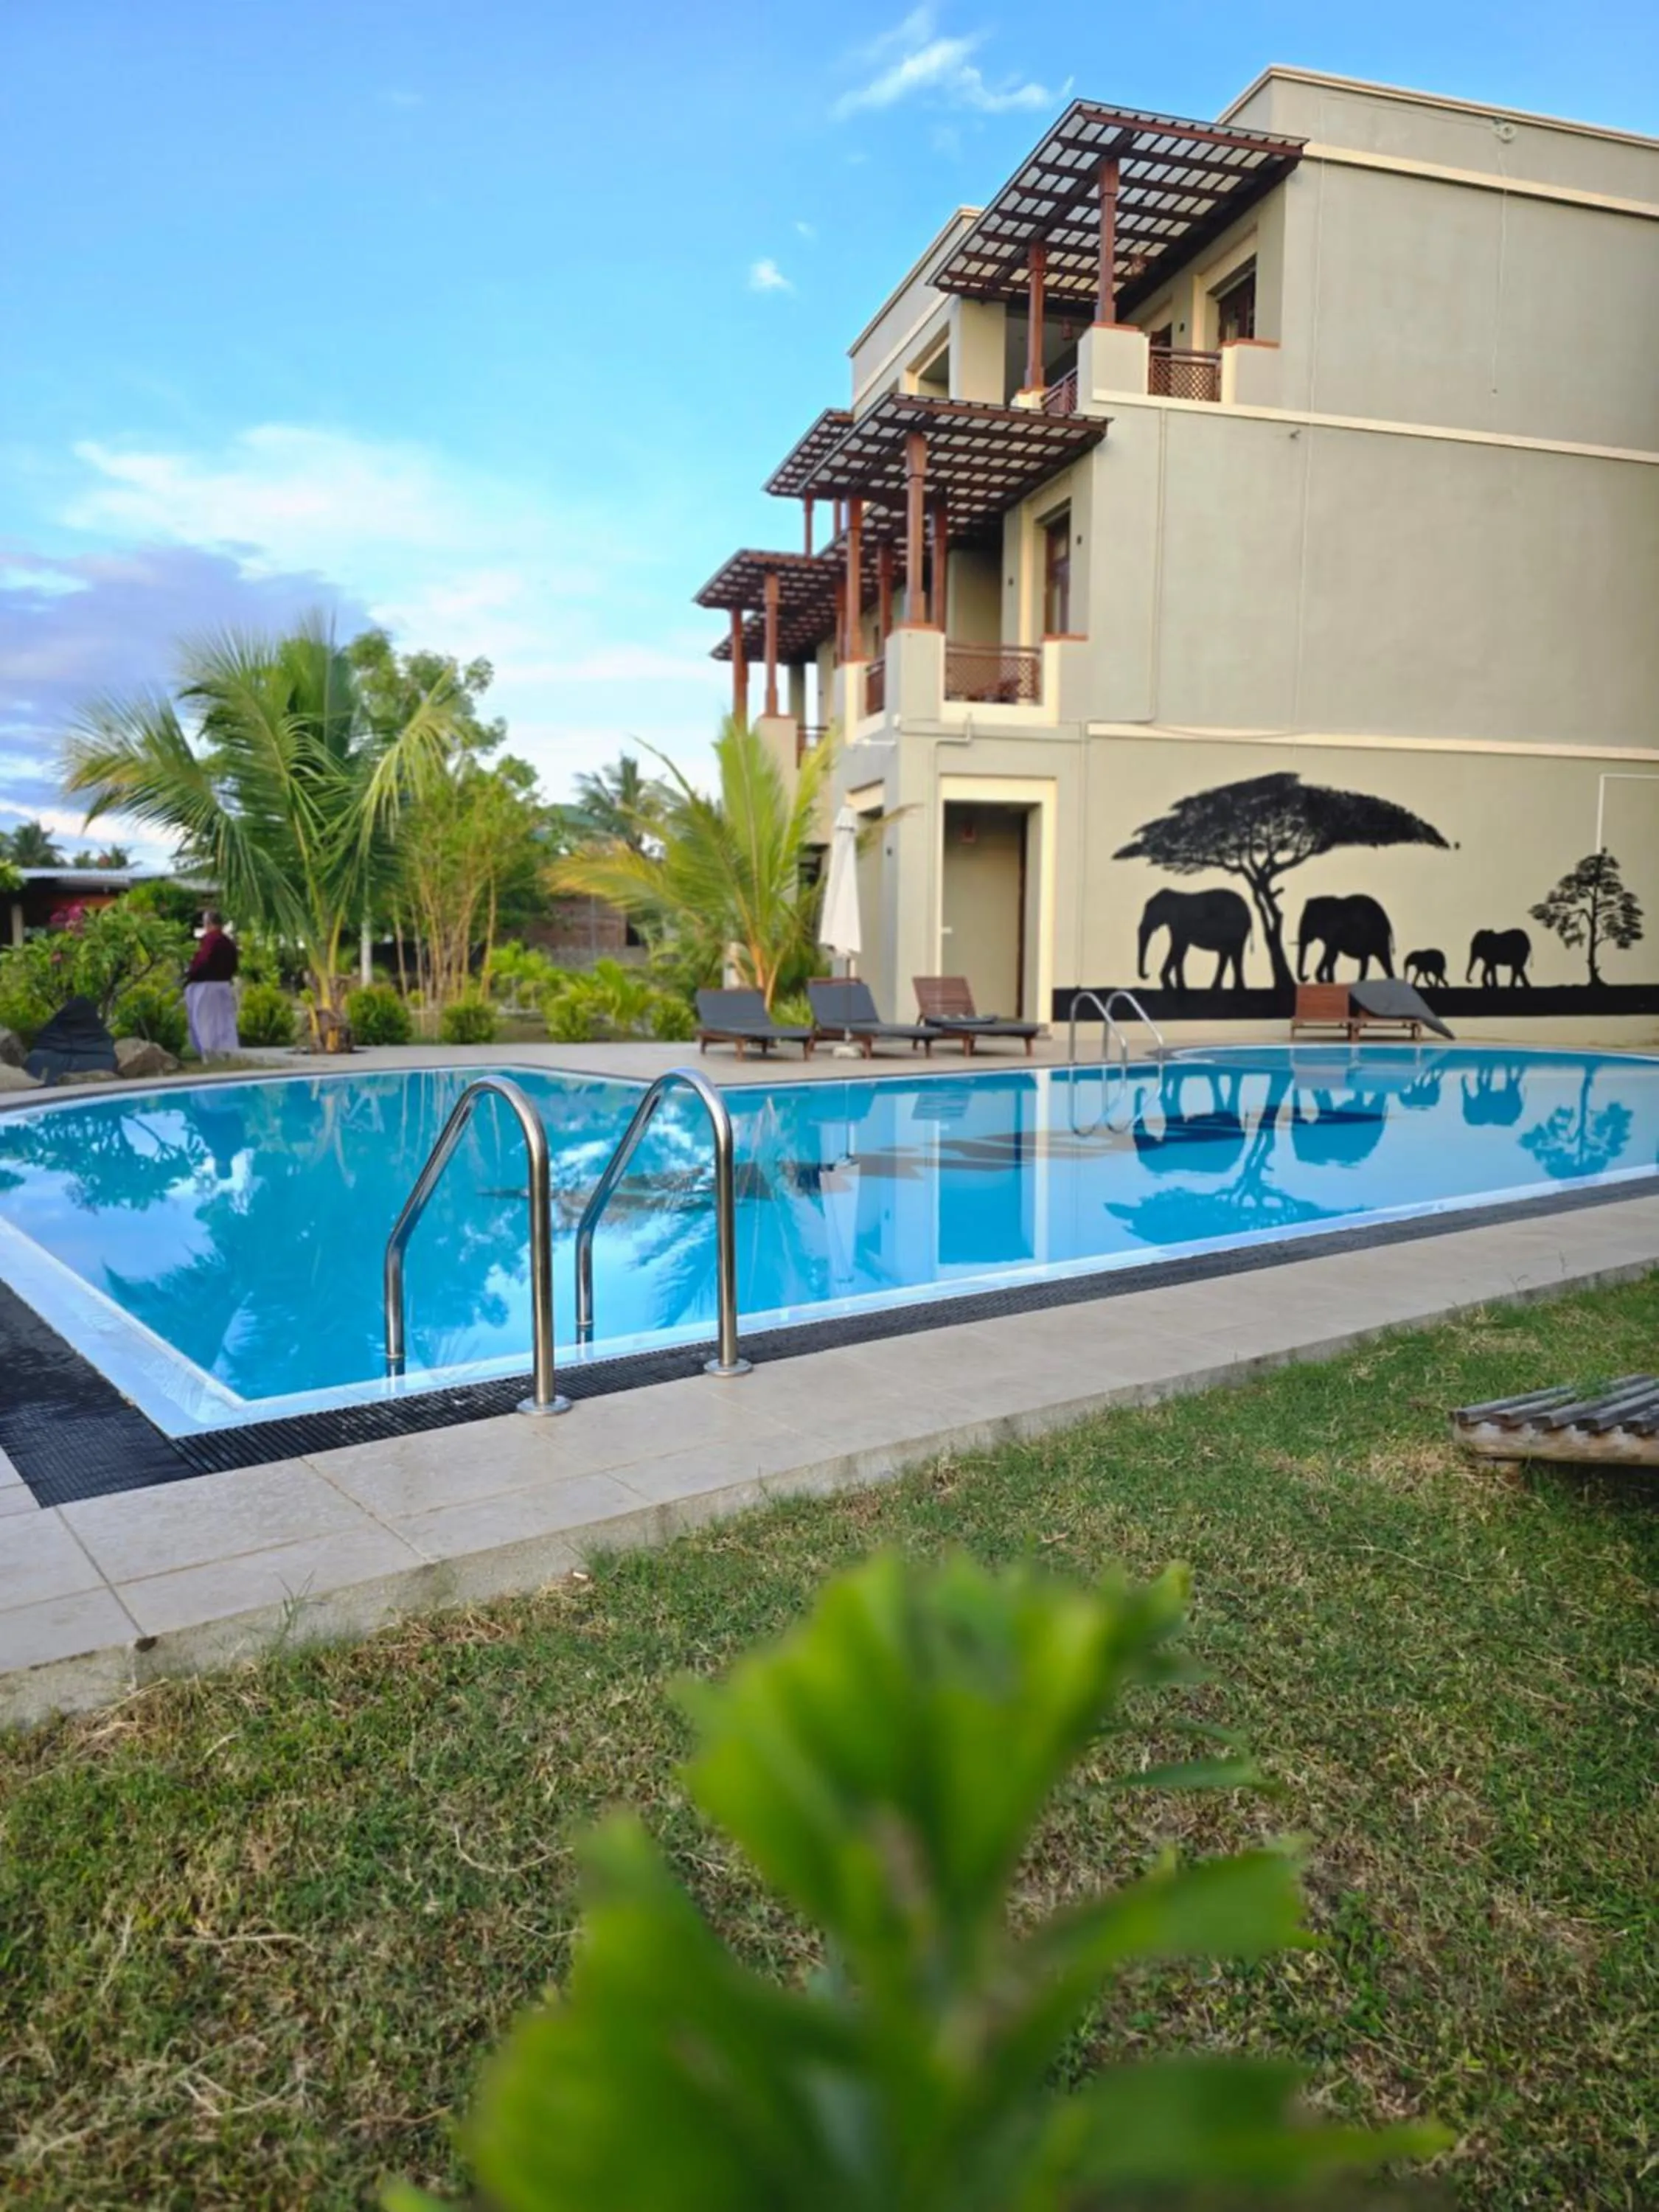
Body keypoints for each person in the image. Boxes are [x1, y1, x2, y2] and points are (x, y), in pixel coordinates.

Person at [184, 908, 240, 1059]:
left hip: (206, 986)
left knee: (205, 1022)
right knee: (224, 1021)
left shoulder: (210, 940)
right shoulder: (229, 943)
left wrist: (190, 974)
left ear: (207, 923)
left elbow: (202, 962)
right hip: (224, 985)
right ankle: (228, 1052)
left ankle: (209, 1053)